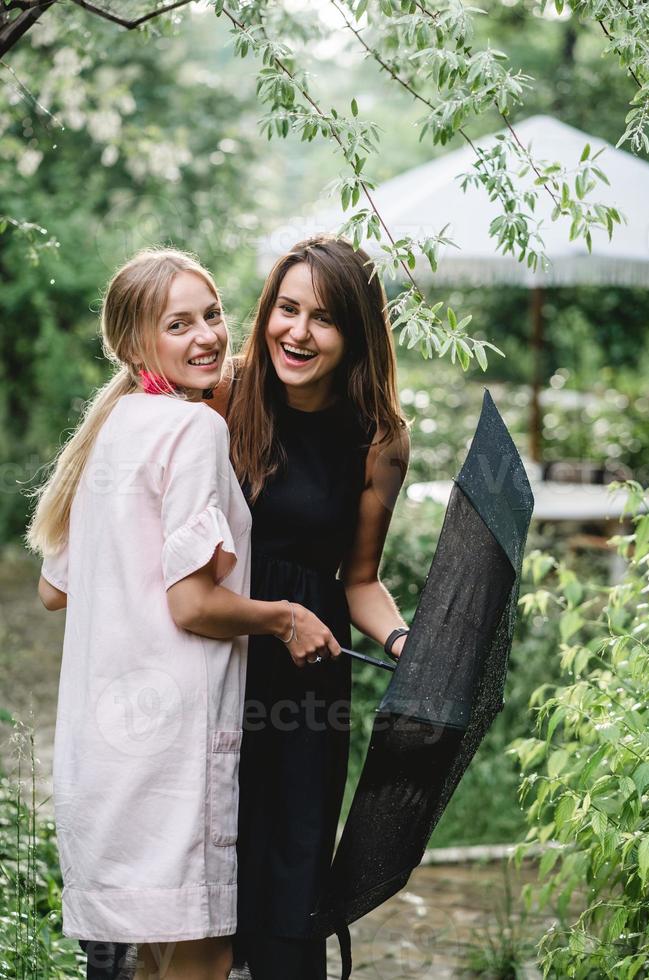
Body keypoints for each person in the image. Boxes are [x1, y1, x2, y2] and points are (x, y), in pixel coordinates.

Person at [27, 246, 336, 980]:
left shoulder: (114, 429)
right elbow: (193, 604)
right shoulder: (196, 431)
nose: (207, 337)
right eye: (179, 325)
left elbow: (54, 590)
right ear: (137, 345)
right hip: (173, 751)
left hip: (105, 749)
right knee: (202, 959)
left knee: (157, 960)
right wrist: (284, 618)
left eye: (213, 316)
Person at [208, 234, 411, 980]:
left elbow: (360, 578)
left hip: (305, 686)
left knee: (291, 875)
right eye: (286, 308)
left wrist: (400, 641)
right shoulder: (225, 394)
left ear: (355, 332)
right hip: (213, 662)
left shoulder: (380, 438)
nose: (297, 331)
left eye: (322, 318)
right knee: (204, 864)